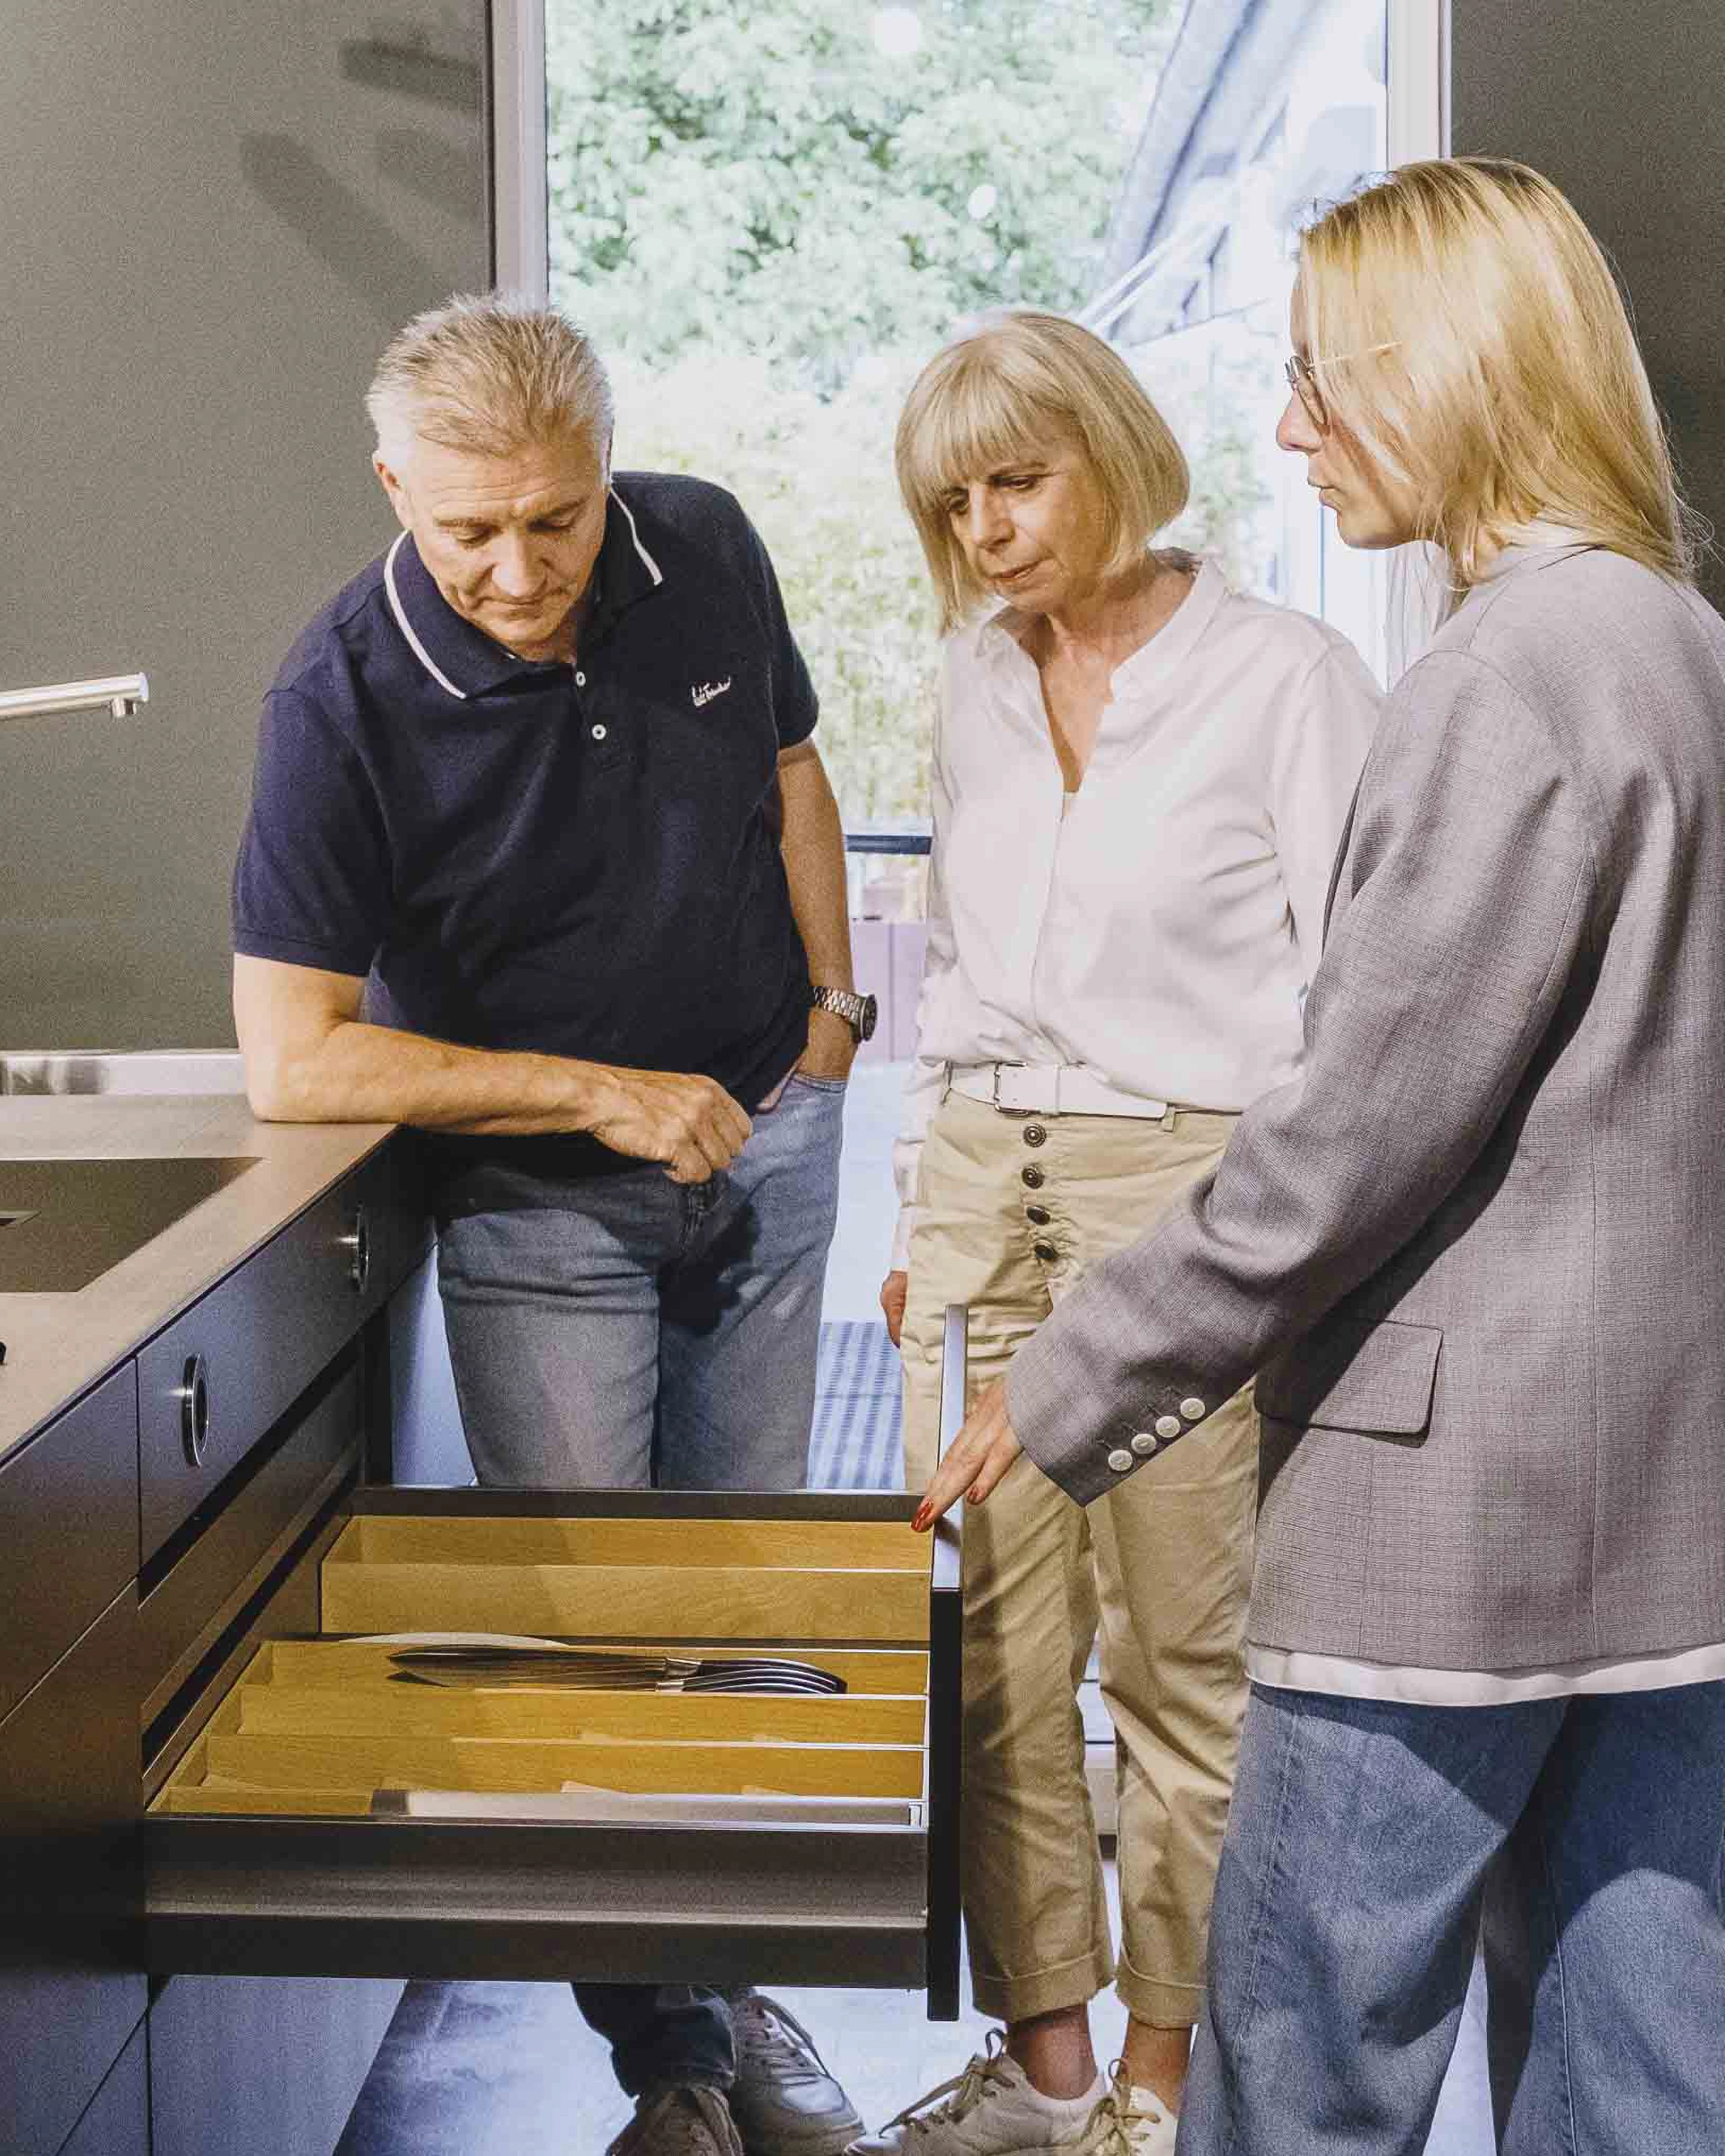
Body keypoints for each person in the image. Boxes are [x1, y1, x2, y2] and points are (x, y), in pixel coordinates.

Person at [917, 160, 1725, 2156]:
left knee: (1300, 2066)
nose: (1284, 432)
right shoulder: (1680, 644)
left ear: (1447, 375)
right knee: (1643, 2079)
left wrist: (1078, 1366)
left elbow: (1353, 1134)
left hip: (1450, 1527)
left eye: (1317, 381)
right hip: (1672, 1515)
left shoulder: (1496, 676)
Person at [230, 294, 873, 2156]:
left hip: (770, 1140)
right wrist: (590, 1094)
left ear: (605, 474)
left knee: (750, 1625)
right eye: (470, 532)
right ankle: (667, 2060)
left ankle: (748, 2010)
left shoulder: (710, 542)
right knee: (608, 1642)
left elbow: (793, 775)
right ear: (392, 492)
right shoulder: (334, 698)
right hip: (539, 1215)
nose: (521, 570)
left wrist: (830, 1021)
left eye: (558, 519)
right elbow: (294, 1058)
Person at [861, 313, 1379, 2156]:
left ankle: (1158, 2093)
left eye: (1021, 480)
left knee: (1181, 1655)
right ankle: (1044, 2066)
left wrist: (1284, 1247)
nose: (990, 530)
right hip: (986, 1182)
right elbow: (940, 976)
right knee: (990, 1656)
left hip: (1189, 1187)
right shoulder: (974, 683)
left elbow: (1359, 1001)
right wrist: (919, 1193)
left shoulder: (1290, 680)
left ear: (1113, 452)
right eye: (958, 501)